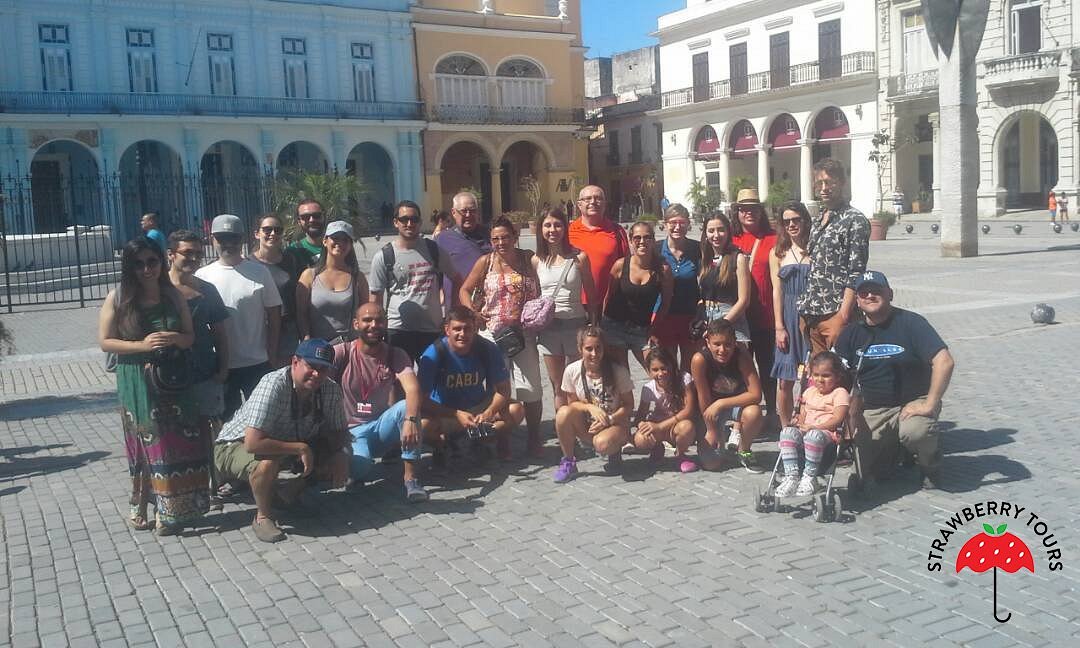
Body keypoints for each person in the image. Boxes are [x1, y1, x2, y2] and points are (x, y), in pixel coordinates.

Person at [98, 237, 206, 535]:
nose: (147, 269)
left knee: (173, 444)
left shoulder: (173, 296)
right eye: (139, 264)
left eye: (152, 262)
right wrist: (140, 344)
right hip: (136, 378)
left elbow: (189, 337)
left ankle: (169, 509)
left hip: (172, 377)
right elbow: (105, 340)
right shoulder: (118, 298)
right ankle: (140, 504)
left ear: (162, 262)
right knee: (146, 446)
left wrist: (173, 339)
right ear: (129, 267)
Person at [213, 339, 351, 543]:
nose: (317, 374)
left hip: (283, 444)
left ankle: (285, 496)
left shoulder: (330, 389)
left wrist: (340, 454)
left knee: (329, 452)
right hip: (234, 444)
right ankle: (263, 516)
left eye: (324, 369)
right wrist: (300, 448)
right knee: (267, 463)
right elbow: (253, 443)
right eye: (311, 366)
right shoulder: (273, 384)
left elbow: (340, 432)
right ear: (295, 362)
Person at [835, 271, 955, 490]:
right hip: (874, 408)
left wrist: (929, 403)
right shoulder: (850, 333)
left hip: (913, 403)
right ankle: (896, 451)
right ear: (857, 300)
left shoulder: (911, 323)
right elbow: (836, 376)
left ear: (889, 294)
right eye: (864, 292)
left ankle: (930, 465)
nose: (870, 295)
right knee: (868, 473)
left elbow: (944, 361)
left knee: (916, 432)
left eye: (876, 291)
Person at [330, 303, 435, 502]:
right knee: (361, 468)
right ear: (356, 324)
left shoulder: (395, 354)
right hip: (350, 432)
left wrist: (411, 421)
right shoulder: (341, 352)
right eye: (367, 320)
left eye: (378, 320)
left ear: (385, 323)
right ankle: (355, 470)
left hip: (380, 426)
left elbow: (413, 389)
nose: (373, 325)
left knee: (406, 407)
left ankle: (410, 479)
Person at [459, 217, 545, 458]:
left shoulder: (528, 259)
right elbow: (464, 289)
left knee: (531, 388)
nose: (500, 242)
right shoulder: (485, 262)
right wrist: (473, 313)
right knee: (499, 389)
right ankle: (502, 438)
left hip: (523, 334)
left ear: (514, 237)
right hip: (493, 335)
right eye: (495, 238)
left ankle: (534, 437)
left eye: (505, 237)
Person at [196, 214, 283, 419]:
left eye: (234, 238)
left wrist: (272, 352)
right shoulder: (202, 276)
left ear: (242, 239)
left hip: (258, 362)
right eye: (222, 238)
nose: (228, 244)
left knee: (263, 421)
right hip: (221, 366)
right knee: (226, 422)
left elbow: (274, 315)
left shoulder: (260, 272)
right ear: (212, 239)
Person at [418, 306, 526, 464]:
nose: (462, 334)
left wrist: (489, 412)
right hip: (446, 411)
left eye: (467, 329)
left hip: (477, 409)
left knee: (515, 410)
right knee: (422, 425)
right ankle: (442, 446)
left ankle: (478, 440)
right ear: (447, 330)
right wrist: (455, 414)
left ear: (475, 329)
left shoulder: (487, 348)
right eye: (457, 329)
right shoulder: (434, 353)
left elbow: (504, 390)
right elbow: (421, 400)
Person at [369, 201, 462, 362]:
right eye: (404, 219)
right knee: (398, 383)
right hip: (397, 331)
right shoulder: (384, 256)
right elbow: (375, 298)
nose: (409, 223)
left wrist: (450, 313)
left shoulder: (434, 250)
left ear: (420, 222)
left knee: (433, 382)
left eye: (414, 219)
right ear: (395, 222)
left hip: (431, 330)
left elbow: (457, 279)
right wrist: (376, 330)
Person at [797, 158, 871, 356]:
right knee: (819, 380)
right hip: (812, 314)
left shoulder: (854, 220)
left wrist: (842, 316)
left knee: (840, 377)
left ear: (842, 183)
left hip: (835, 313)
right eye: (819, 183)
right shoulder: (819, 219)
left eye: (829, 182)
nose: (824, 188)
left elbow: (856, 272)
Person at [531, 208, 599, 411]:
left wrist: (593, 324)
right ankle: (564, 427)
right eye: (548, 225)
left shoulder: (579, 258)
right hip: (549, 328)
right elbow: (535, 295)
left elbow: (591, 294)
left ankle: (581, 424)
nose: (553, 230)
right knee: (558, 385)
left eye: (558, 225)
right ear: (541, 229)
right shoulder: (536, 261)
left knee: (578, 382)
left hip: (575, 325)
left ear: (565, 227)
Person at [166, 229, 230, 436]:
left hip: (204, 374)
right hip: (167, 378)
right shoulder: (158, 290)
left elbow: (220, 333)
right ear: (171, 254)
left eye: (198, 254)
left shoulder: (207, 290)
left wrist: (222, 371)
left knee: (209, 436)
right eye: (187, 253)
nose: (194, 258)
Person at [552, 325, 634, 482]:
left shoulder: (618, 371)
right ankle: (568, 460)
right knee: (562, 413)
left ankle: (614, 450)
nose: (594, 354)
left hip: (614, 424)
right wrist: (590, 407)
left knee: (602, 444)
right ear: (580, 349)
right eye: (589, 349)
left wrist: (610, 419)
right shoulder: (572, 371)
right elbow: (572, 405)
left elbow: (629, 405)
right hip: (587, 425)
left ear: (604, 348)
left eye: (598, 348)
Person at [690, 319, 765, 473]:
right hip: (709, 409)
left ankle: (744, 450)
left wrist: (722, 403)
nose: (722, 350)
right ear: (708, 342)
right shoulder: (699, 360)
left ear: (735, 342)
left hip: (734, 405)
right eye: (717, 344)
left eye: (728, 344)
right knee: (712, 464)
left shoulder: (742, 356)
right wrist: (711, 429)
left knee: (754, 412)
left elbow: (756, 394)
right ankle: (721, 441)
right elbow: (703, 398)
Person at [730, 188, 778, 419]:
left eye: (753, 209)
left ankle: (771, 413)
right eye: (743, 209)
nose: (749, 213)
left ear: (760, 211)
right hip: (739, 318)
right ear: (737, 212)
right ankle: (742, 416)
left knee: (767, 367)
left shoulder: (773, 238)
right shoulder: (729, 237)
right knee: (739, 368)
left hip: (765, 316)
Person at [774, 351, 850, 497]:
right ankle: (792, 476)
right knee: (787, 432)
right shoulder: (809, 392)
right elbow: (803, 415)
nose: (820, 379)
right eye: (816, 375)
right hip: (806, 431)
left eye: (826, 376)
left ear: (837, 377)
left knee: (813, 435)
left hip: (827, 433)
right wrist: (798, 422)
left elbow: (838, 419)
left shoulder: (840, 393)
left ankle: (809, 477)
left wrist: (815, 427)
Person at [601, 221, 672, 369]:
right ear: (631, 240)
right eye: (637, 238)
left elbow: (665, 304)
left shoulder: (663, 270)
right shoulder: (620, 265)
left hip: (642, 331)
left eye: (647, 237)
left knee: (659, 370)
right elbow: (608, 296)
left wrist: (653, 329)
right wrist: (602, 326)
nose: (642, 242)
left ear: (653, 240)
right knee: (622, 379)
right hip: (614, 327)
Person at [770, 201, 812, 427]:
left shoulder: (815, 248)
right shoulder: (777, 253)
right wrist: (779, 326)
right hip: (787, 317)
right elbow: (776, 291)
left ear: (804, 220)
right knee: (785, 380)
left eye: (796, 219)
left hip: (811, 318)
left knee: (811, 379)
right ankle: (786, 427)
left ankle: (807, 423)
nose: (792, 225)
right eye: (787, 221)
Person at [296, 221, 369, 344]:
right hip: (317, 350)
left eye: (345, 240)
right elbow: (301, 314)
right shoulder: (309, 276)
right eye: (335, 238)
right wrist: (306, 339)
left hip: (350, 347)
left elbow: (365, 313)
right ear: (325, 241)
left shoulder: (358, 277)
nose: (339, 243)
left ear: (351, 245)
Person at [633, 347, 698, 473]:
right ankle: (657, 448)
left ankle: (680, 454)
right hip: (658, 424)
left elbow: (689, 410)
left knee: (687, 427)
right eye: (655, 370)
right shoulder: (648, 388)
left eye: (664, 368)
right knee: (640, 439)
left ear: (672, 366)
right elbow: (640, 416)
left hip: (677, 424)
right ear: (649, 371)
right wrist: (641, 424)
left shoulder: (684, 379)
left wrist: (660, 426)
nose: (660, 373)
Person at [250, 214, 301, 366]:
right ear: (257, 233)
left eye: (277, 230)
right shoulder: (248, 264)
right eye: (267, 229)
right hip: (259, 331)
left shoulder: (292, 261)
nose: (273, 234)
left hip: (287, 333)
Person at [656, 204, 701, 371]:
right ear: (665, 223)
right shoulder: (656, 249)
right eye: (673, 222)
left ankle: (688, 398)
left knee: (689, 369)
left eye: (682, 222)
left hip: (690, 316)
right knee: (668, 367)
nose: (677, 227)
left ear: (688, 224)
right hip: (664, 317)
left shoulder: (697, 249)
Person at [568, 185, 629, 306]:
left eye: (598, 198)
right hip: (575, 307)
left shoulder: (617, 231)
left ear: (605, 204)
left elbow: (626, 267)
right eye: (588, 198)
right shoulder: (568, 231)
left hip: (608, 304)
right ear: (579, 204)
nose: (593, 202)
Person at [698, 212, 751, 342]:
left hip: (730, 317)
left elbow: (744, 300)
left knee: (737, 359)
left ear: (728, 232)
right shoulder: (705, 260)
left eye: (721, 230)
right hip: (708, 317)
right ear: (706, 234)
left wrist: (721, 324)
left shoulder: (738, 258)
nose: (716, 235)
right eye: (711, 231)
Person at [435, 191, 492, 281]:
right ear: (453, 212)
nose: (468, 215)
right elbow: (436, 274)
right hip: (455, 294)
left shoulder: (490, 235)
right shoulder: (443, 239)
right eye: (464, 211)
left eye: (472, 211)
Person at [285, 199, 327, 272]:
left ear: (324, 217)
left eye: (316, 215)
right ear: (299, 221)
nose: (311, 220)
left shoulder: (338, 246)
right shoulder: (292, 252)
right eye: (305, 217)